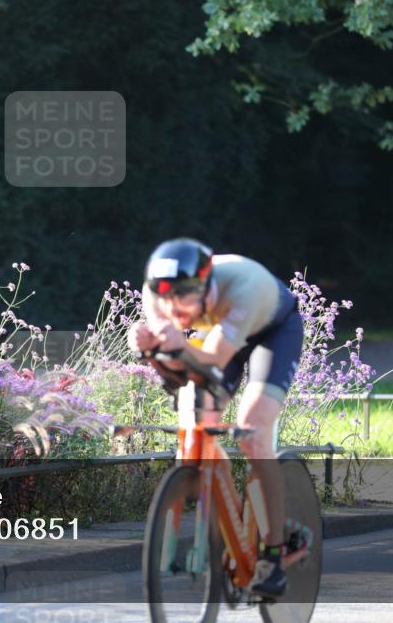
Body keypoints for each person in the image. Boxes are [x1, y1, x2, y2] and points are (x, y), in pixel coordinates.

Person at [128, 238, 304, 599]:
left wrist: (174, 347)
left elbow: (211, 360)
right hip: (219, 337)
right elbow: (177, 370)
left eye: (185, 299)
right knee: (194, 414)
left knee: (253, 427)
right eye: (167, 299)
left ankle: (273, 551)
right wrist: (145, 345)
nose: (175, 310)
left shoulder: (242, 288)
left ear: (206, 287)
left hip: (271, 334)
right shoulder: (156, 294)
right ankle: (225, 504)